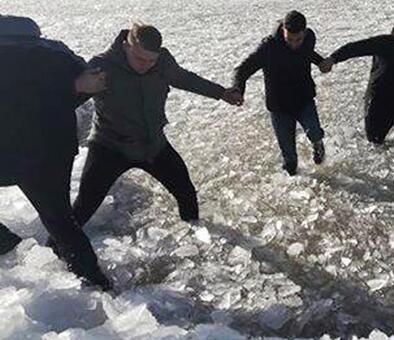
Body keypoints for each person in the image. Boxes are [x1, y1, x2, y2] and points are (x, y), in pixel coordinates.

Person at [70, 23, 242, 230]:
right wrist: (73, 88)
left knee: (185, 191)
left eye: (151, 60)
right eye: (140, 59)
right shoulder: (103, 66)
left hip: (153, 145)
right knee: (83, 206)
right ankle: (54, 250)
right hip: (110, 147)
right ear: (126, 47)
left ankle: (195, 235)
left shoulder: (162, 64)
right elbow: (67, 101)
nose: (145, 65)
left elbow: (186, 79)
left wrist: (222, 93)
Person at [0, 15, 112, 289]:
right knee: (60, 221)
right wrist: (68, 91)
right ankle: (95, 283)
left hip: (12, 153)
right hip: (52, 152)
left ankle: (7, 243)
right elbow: (91, 85)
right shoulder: (58, 52)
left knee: (60, 221)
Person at [233, 11, 329, 176]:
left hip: (303, 99)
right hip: (279, 106)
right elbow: (242, 70)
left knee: (314, 132)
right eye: (289, 40)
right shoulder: (268, 48)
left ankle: (318, 144)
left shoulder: (309, 39)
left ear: (304, 33)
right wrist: (238, 89)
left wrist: (320, 62)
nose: (294, 44)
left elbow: (306, 53)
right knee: (290, 162)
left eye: (298, 39)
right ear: (283, 31)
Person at [321, 17, 394, 144]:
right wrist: (332, 59)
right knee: (375, 146)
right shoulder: (385, 43)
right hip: (378, 104)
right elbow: (355, 48)